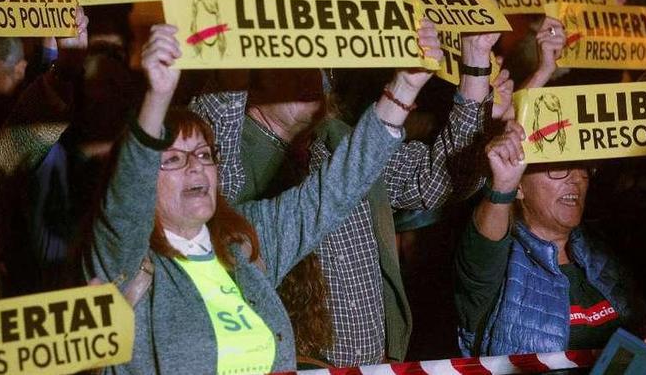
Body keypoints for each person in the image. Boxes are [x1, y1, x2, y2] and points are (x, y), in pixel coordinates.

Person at [86, 22, 435, 374]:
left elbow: (336, 188)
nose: (195, 167)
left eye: (204, 154)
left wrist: (404, 86)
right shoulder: (126, 256)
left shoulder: (246, 238)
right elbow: (127, 193)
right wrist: (158, 96)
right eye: (174, 159)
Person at [191, 0, 502, 366]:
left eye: (319, 59)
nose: (312, 71)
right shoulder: (220, 156)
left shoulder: (341, 140)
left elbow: (436, 182)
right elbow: (215, 117)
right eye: (291, 56)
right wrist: (244, 24)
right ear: (254, 73)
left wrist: (474, 65)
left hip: (378, 362)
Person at [455, 120, 646, 356]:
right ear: (518, 188)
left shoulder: (604, 255)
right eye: (558, 166)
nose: (576, 178)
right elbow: (483, 245)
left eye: (582, 167)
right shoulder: (498, 265)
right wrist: (502, 185)